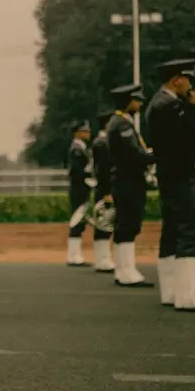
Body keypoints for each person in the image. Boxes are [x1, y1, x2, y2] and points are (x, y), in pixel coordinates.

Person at [146, 59, 195, 312]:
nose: (190, 86)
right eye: (188, 80)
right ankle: (188, 296)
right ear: (177, 79)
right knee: (189, 231)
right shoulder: (170, 105)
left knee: (172, 232)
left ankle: (171, 292)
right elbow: (189, 138)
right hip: (179, 175)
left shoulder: (160, 103)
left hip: (170, 175)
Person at [106, 83, 155, 288]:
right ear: (127, 101)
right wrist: (154, 155)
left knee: (126, 225)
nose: (139, 103)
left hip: (126, 180)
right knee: (129, 225)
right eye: (136, 100)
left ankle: (124, 270)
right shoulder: (122, 124)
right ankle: (126, 272)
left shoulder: (119, 122)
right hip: (129, 181)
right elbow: (133, 155)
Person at [91, 110, 116, 273]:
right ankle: (102, 259)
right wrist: (106, 191)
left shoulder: (105, 141)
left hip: (107, 186)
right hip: (105, 187)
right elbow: (103, 170)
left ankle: (104, 258)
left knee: (107, 224)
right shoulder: (102, 142)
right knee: (103, 224)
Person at [66, 120, 93, 267]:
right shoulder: (77, 149)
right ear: (77, 133)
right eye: (85, 131)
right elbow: (77, 171)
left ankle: (75, 253)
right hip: (79, 188)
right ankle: (73, 255)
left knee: (80, 221)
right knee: (76, 220)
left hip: (82, 188)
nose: (88, 133)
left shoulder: (82, 148)